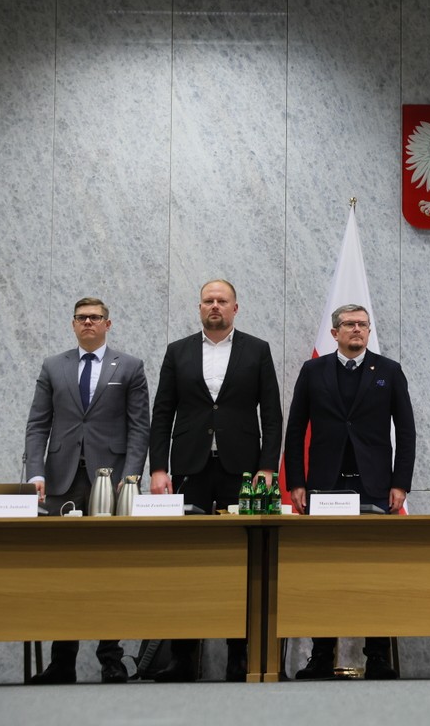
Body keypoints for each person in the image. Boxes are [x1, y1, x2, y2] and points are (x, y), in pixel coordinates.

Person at [148, 279, 282, 682]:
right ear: (199, 307)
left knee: (243, 563)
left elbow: (272, 415)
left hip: (243, 472)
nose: (215, 306)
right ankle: (182, 659)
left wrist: (267, 467)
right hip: (189, 468)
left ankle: (238, 658)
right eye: (208, 300)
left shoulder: (257, 350)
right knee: (186, 562)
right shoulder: (178, 351)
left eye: (222, 301)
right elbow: (162, 413)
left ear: (235, 308)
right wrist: (158, 469)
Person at [285, 304, 416, 681]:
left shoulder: (389, 371)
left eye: (362, 324)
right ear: (334, 333)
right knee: (323, 571)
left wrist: (400, 483)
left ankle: (377, 655)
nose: (357, 329)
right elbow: (295, 429)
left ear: (369, 330)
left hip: (374, 487)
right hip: (325, 485)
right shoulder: (313, 371)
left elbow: (406, 431)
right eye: (349, 324)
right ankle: (321, 655)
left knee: (376, 571)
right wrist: (296, 482)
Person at [22, 297, 150, 684]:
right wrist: (35, 473)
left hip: (110, 481)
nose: (88, 323)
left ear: (108, 324)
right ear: (73, 324)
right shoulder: (53, 366)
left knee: (110, 570)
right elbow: (37, 425)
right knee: (64, 571)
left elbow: (139, 427)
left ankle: (110, 659)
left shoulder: (129, 366)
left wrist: (131, 477)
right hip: (61, 481)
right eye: (82, 318)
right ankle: (62, 662)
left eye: (95, 318)